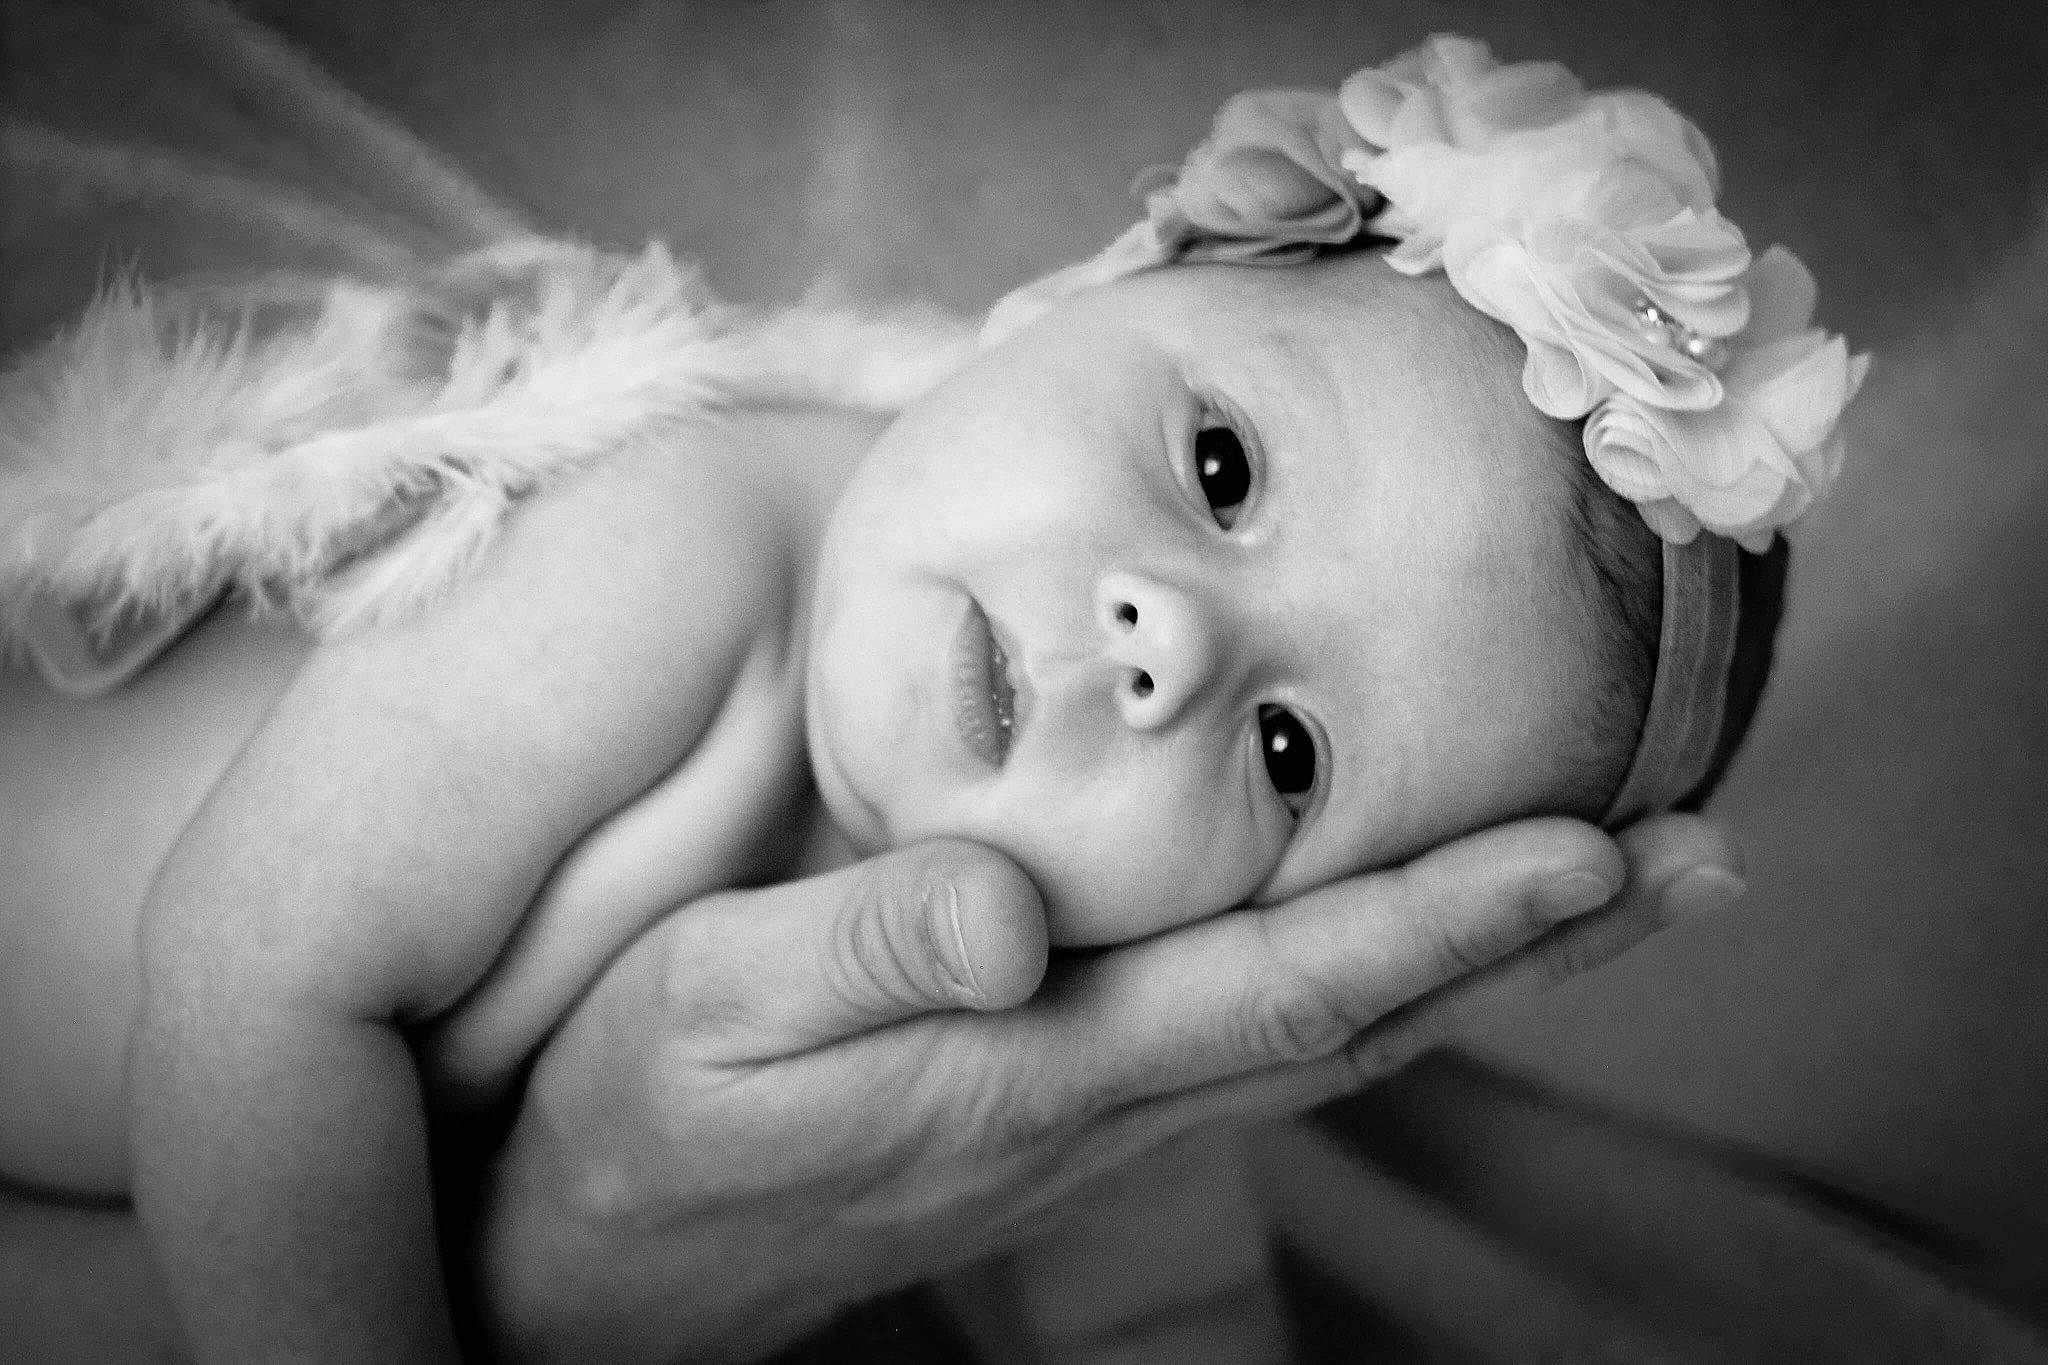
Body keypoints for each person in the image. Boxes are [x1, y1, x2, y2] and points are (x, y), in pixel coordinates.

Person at [0, 34, 1847, 1364]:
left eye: (1291, 758)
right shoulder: (689, 548)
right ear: (1074, 294)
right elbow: (254, 976)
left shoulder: (1048, 972)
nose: (1164, 643)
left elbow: (1143, 1273)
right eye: (1219, 468)